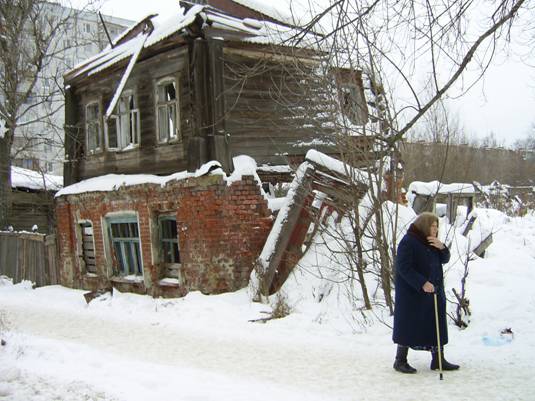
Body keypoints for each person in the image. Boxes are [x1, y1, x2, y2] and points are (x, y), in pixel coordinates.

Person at [392, 212, 460, 374]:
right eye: (432, 226)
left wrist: (442, 247)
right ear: (424, 226)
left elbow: (445, 259)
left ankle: (438, 360)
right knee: (409, 325)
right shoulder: (409, 241)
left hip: (434, 292)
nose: (435, 229)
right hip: (412, 294)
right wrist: (422, 283)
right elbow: (403, 267)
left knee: (435, 323)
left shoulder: (431, 242)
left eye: (437, 226)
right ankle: (400, 360)